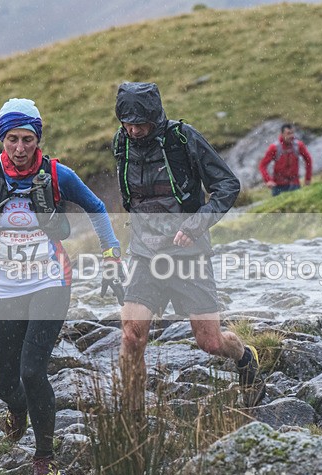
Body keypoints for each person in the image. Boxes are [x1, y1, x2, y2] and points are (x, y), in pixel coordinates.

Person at [0, 98, 123, 475]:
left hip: (51, 281)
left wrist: (112, 258)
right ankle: (17, 409)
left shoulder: (57, 174)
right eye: (13, 140)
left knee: (33, 370)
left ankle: (45, 459)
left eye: (28, 140)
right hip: (4, 287)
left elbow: (98, 208)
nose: (20, 149)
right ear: (2, 138)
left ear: (39, 138)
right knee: (4, 382)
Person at [112, 81, 265, 414]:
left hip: (188, 255)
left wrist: (196, 224)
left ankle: (245, 357)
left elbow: (227, 185)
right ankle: (130, 418)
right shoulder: (121, 143)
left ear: (156, 117)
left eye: (142, 124)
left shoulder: (182, 139)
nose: (135, 130)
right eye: (129, 123)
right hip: (145, 255)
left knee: (209, 342)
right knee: (131, 337)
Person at [258, 123, 312, 196]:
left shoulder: (298, 146)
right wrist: (268, 180)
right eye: (288, 133)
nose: (291, 136)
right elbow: (262, 165)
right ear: (282, 134)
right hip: (278, 186)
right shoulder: (274, 147)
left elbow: (308, 160)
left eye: (292, 133)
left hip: (294, 184)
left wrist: (307, 178)